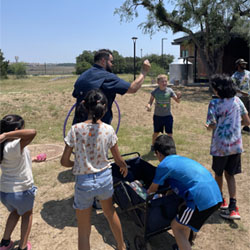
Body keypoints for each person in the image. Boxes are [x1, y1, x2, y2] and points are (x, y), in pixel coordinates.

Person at [61, 89, 129, 250]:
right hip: (105, 179)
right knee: (110, 213)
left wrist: (77, 164)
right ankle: (121, 246)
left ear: (84, 105)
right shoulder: (108, 129)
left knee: (84, 229)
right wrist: (123, 166)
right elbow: (118, 159)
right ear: (105, 108)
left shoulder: (76, 129)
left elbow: (64, 161)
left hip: (84, 182)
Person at [147, 135, 222, 250]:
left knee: (176, 227)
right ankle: (182, 245)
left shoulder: (164, 165)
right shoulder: (180, 160)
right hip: (216, 195)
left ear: (158, 153)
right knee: (184, 223)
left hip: (200, 200)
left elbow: (152, 190)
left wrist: (143, 196)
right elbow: (176, 185)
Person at [205, 74, 250, 220]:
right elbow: (247, 121)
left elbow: (212, 124)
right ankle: (233, 207)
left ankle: (220, 201)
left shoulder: (214, 104)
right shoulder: (238, 101)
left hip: (220, 147)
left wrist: (209, 126)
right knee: (230, 175)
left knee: (218, 174)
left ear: (218, 89)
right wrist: (235, 125)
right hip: (236, 145)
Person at [0, 115, 45, 250]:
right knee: (27, 215)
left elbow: (13, 160)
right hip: (21, 191)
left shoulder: (3, 146)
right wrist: (7, 134)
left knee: (15, 212)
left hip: (5, 192)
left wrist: (33, 159)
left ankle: (5, 242)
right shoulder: (14, 144)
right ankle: (23, 246)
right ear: (16, 130)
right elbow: (33, 132)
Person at [72, 49, 151, 125]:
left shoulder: (82, 76)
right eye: (111, 61)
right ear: (103, 61)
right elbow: (133, 88)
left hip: (78, 128)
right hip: (98, 129)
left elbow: (75, 94)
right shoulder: (107, 77)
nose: (112, 64)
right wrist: (144, 71)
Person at [146, 74, 181, 151]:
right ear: (158, 82)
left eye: (166, 81)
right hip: (157, 116)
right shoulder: (155, 91)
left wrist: (179, 97)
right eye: (162, 81)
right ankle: (153, 145)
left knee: (170, 133)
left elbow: (177, 101)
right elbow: (150, 101)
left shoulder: (170, 91)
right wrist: (148, 106)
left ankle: (171, 148)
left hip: (167, 116)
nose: (164, 83)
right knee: (156, 133)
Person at [231, 58, 250, 133]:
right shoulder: (234, 76)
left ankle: (245, 127)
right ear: (238, 65)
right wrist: (242, 92)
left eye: (245, 64)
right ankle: (235, 126)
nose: (244, 65)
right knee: (239, 114)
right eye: (242, 64)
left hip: (248, 96)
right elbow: (232, 87)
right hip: (239, 97)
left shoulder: (248, 73)